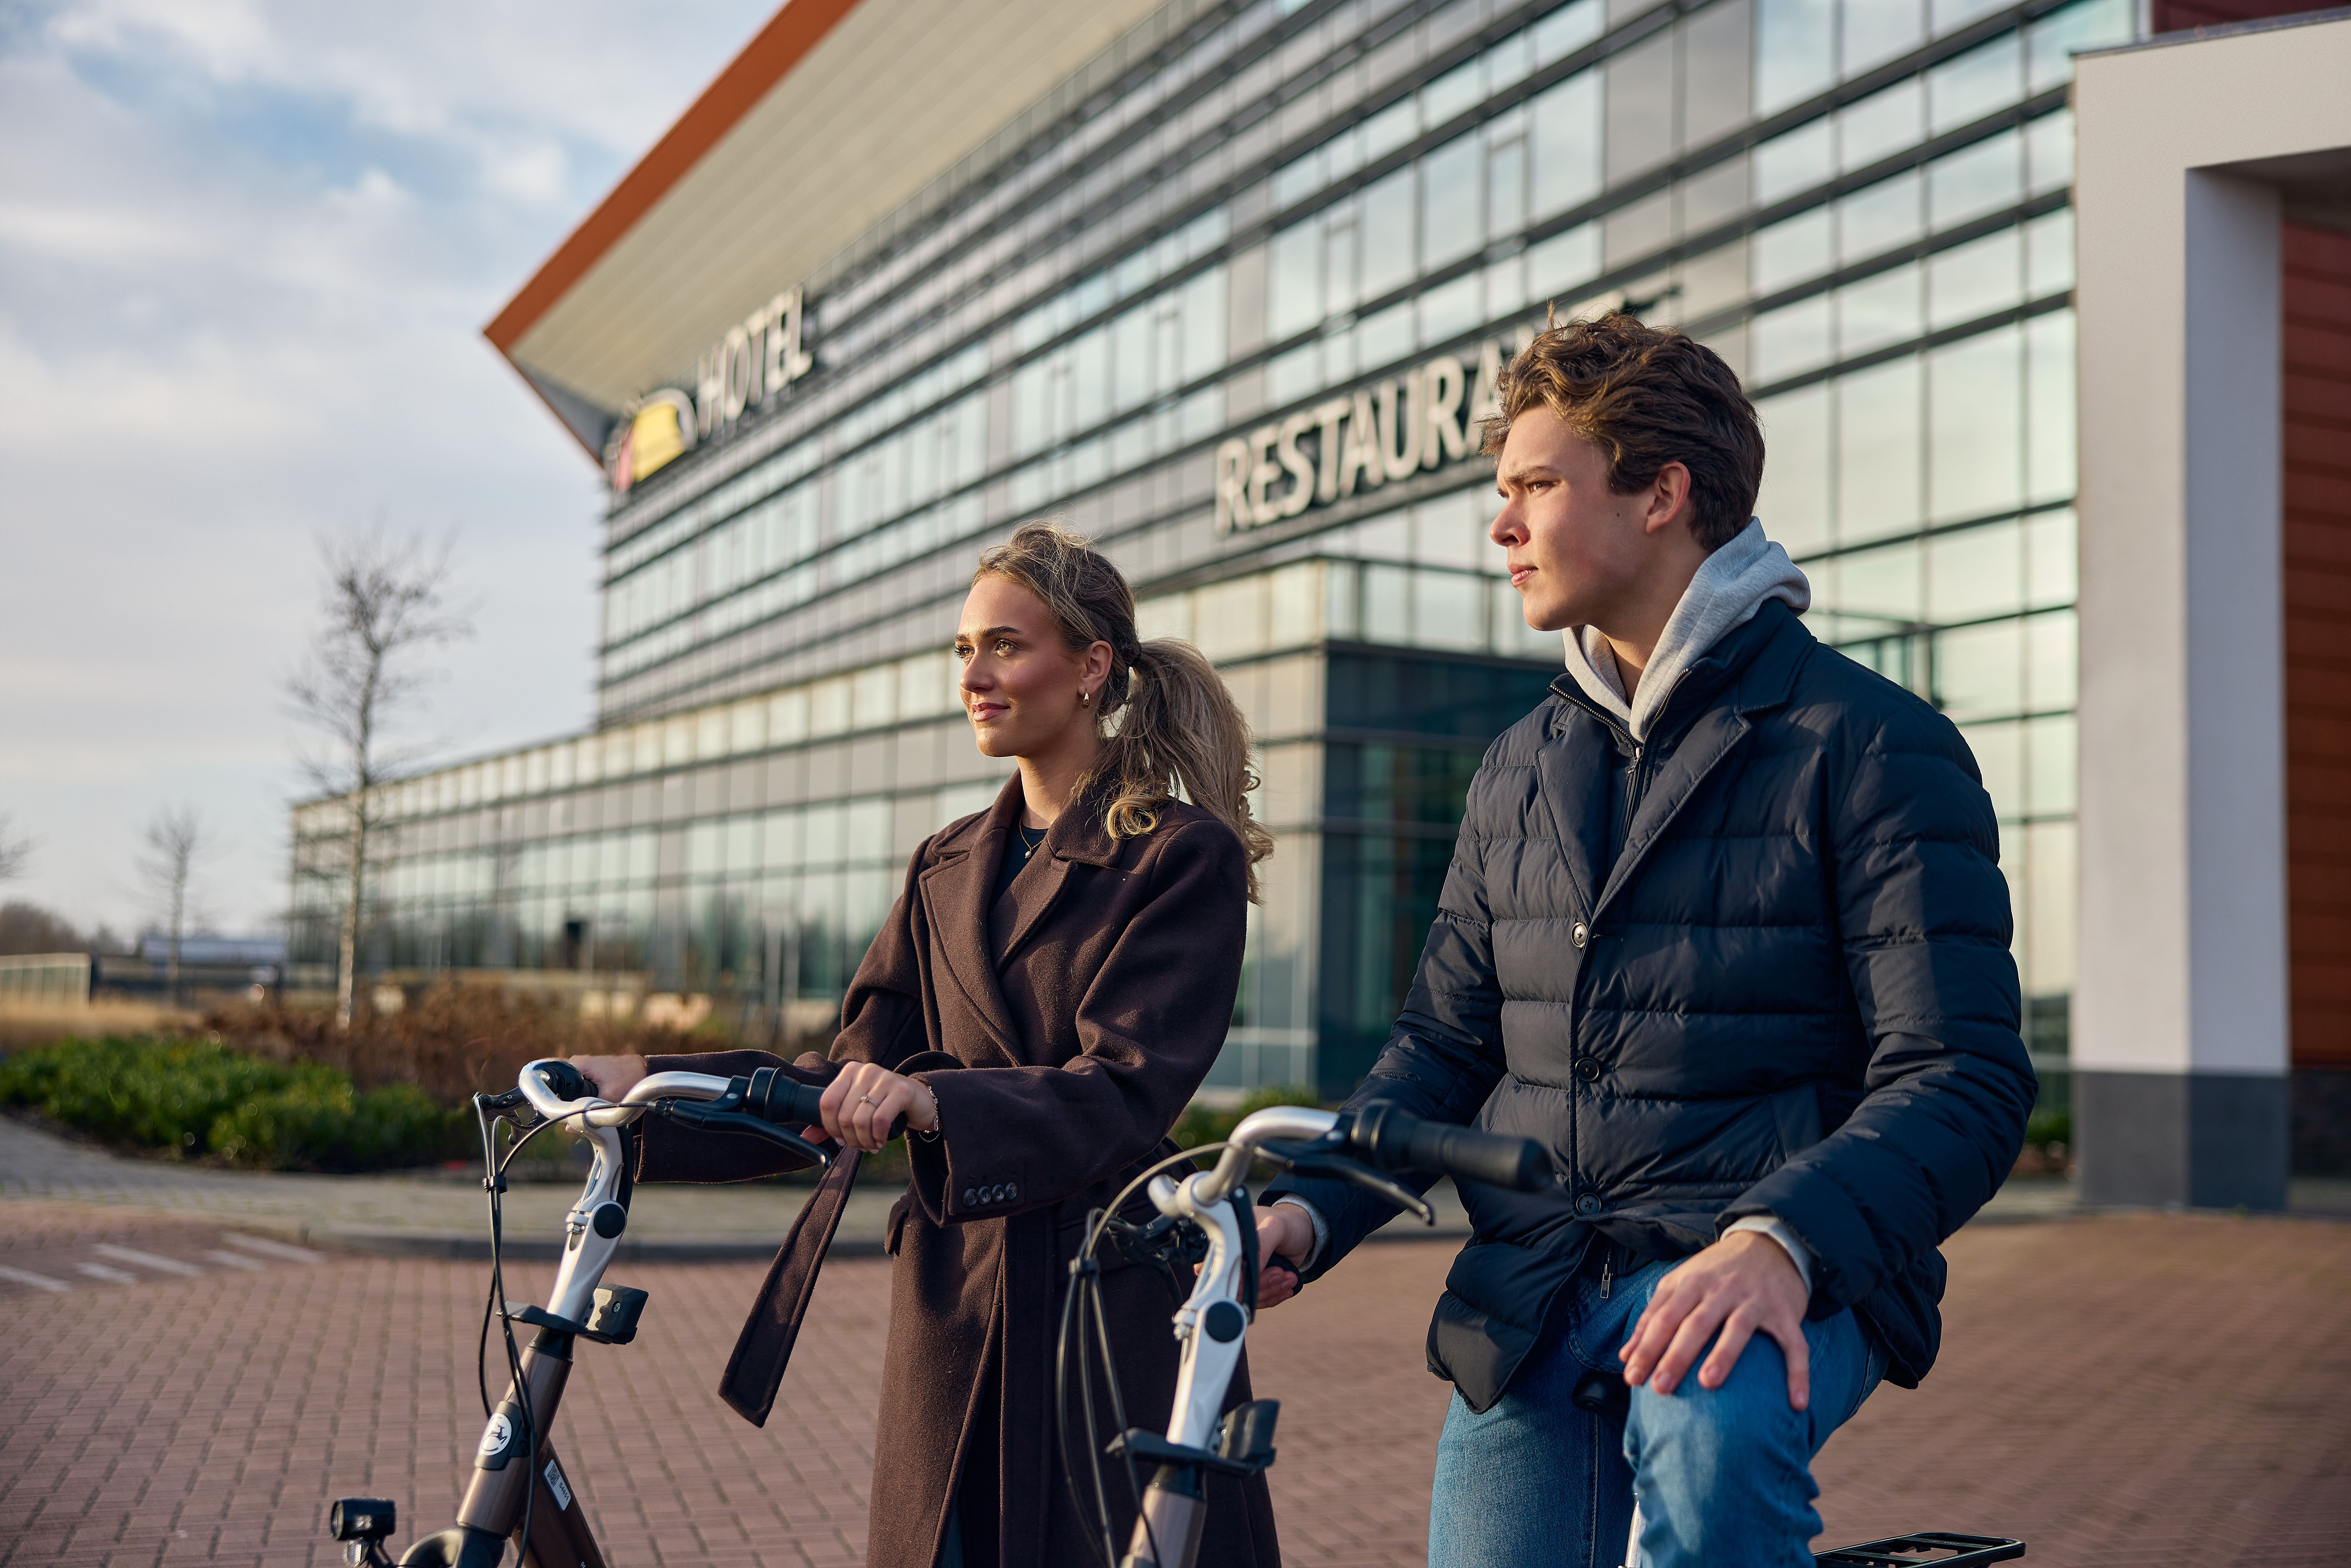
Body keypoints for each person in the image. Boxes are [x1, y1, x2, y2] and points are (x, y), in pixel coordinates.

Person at [1250, 314, 2034, 1568]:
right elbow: (1439, 1046)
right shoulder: (1516, 766)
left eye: (1534, 488)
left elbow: (1963, 1075)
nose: (1498, 528)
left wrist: (1777, 1242)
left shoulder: (1867, 743)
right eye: (1497, 493)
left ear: (1661, 492)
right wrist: (1303, 1210)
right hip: (1533, 1290)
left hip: (1768, 1267)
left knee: (1709, 1440)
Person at [574, 522, 1281, 1568]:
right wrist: (646, 1089)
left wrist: (940, 1106)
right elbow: (836, 1075)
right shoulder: (944, 864)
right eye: (963, 651)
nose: (976, 675)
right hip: (954, 1311)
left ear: (1092, 668)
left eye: (1004, 645)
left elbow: (1124, 1093)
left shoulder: (1179, 859)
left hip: (1102, 1311)